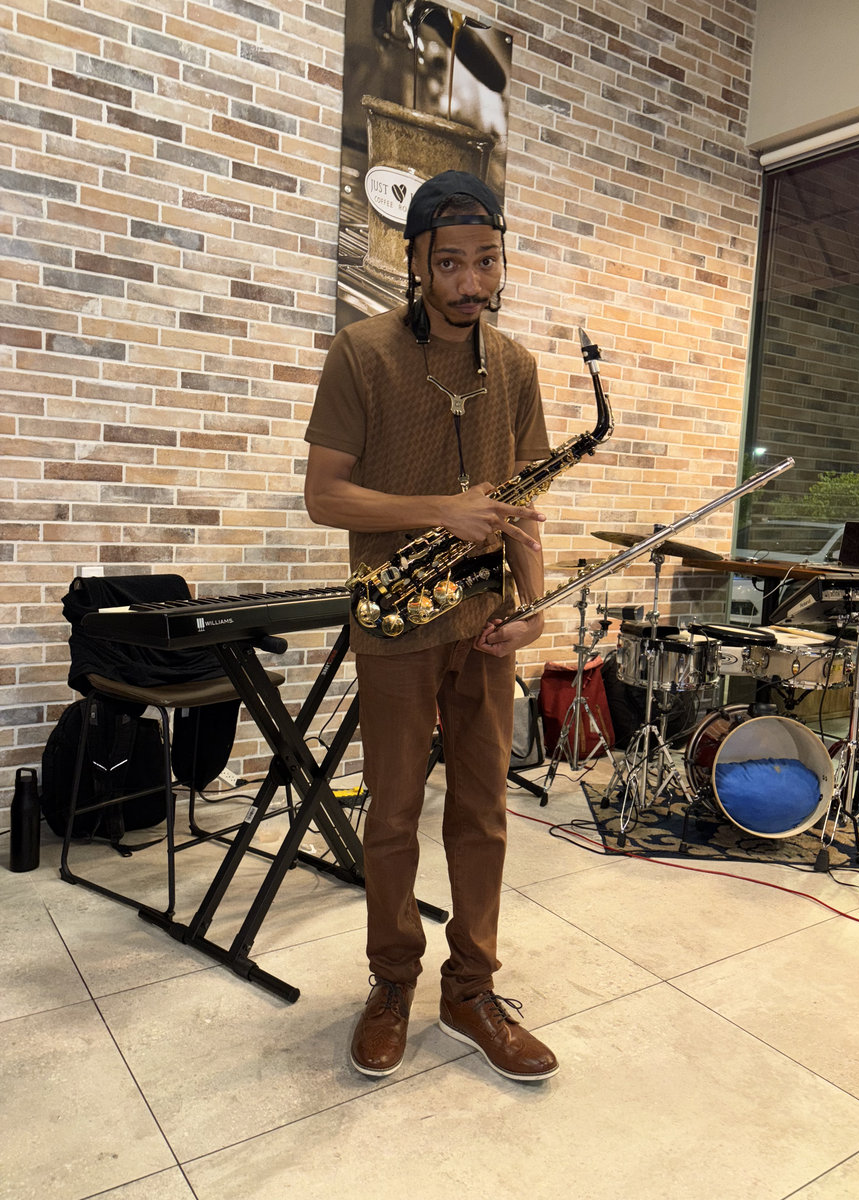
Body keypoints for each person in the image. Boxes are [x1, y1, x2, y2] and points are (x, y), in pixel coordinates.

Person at [304, 170, 558, 1082]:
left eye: (486, 261)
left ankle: (471, 990)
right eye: (449, 263)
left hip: (485, 626)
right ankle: (392, 983)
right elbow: (324, 496)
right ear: (413, 260)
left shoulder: (517, 365)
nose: (470, 282)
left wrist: (532, 607)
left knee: (485, 813)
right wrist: (439, 511)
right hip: (396, 626)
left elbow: (524, 503)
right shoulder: (361, 352)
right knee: (394, 814)